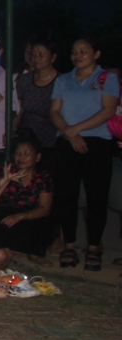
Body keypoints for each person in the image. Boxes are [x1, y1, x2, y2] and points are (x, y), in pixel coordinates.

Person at [49, 37, 119, 272]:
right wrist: (69, 134)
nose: (78, 56)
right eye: (74, 52)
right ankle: (69, 244)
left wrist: (75, 130)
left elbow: (108, 110)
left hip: (97, 142)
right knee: (66, 195)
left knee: (96, 197)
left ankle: (94, 247)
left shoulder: (107, 78)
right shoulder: (63, 80)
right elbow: (55, 111)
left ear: (96, 53)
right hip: (67, 141)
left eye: (84, 51)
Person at [0, 138, 54, 265]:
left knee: (43, 222)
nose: (21, 157)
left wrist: (20, 216)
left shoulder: (43, 177)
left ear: (37, 157)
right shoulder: (6, 169)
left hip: (27, 213)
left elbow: (45, 208)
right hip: (2, 210)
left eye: (27, 153)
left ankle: (35, 254)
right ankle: (0, 249)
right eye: (18, 153)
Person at [12, 38, 59, 151]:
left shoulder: (61, 81)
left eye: (41, 55)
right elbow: (19, 109)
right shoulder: (25, 79)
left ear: (53, 57)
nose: (36, 59)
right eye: (33, 55)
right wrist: (12, 129)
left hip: (50, 138)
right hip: (26, 137)